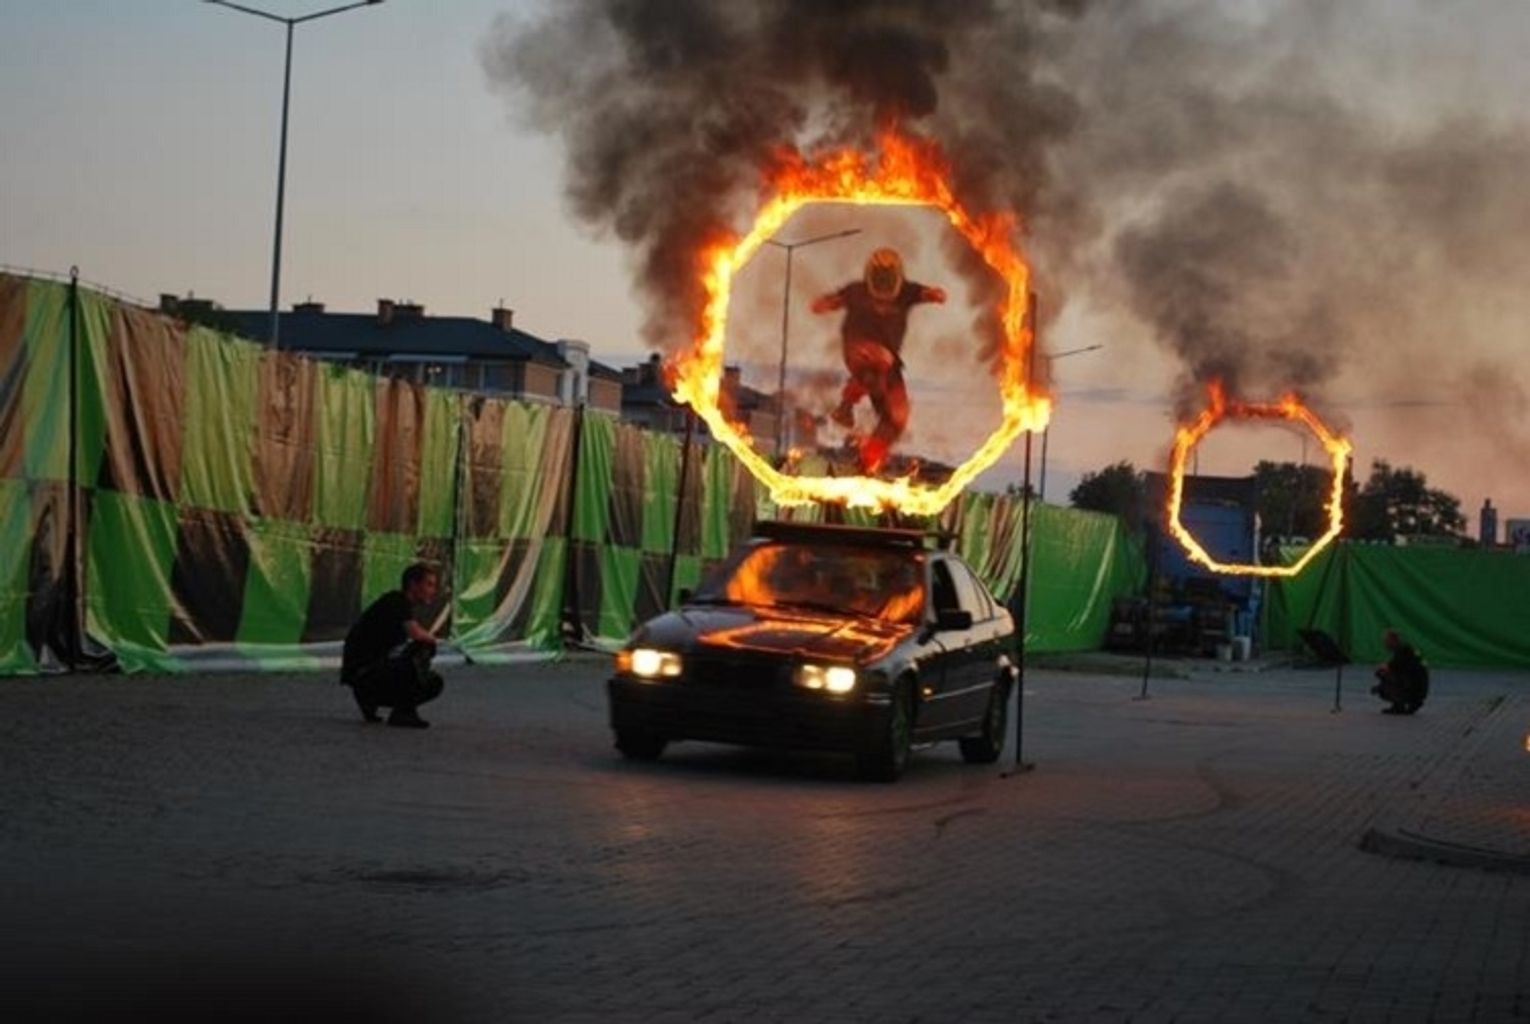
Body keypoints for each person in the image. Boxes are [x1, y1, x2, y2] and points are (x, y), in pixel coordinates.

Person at [811, 247, 946, 474]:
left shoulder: (907, 292)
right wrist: (825, 303)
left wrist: (934, 294)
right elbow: (834, 300)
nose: (883, 288)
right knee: (877, 357)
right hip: (858, 349)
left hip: (890, 364)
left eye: (887, 280)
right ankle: (846, 406)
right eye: (879, 280)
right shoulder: (856, 291)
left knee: (897, 417)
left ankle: (866, 463)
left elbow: (924, 293)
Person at [341, 563, 445, 728]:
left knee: (428, 676)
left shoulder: (398, 604)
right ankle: (403, 712)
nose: (433, 590)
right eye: (429, 584)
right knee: (423, 651)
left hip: (364, 673)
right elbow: (417, 634)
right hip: (364, 672)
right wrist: (432, 640)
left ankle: (369, 700)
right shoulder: (397, 601)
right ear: (413, 584)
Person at [1371, 628, 1429, 715]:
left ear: (1392, 641)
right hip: (1419, 687)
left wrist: (1380, 687)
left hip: (1414, 687)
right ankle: (1404, 703)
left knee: (1382, 675)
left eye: (1386, 641)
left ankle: (1401, 703)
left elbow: (1391, 668)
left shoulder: (1402, 651)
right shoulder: (1405, 649)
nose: (1385, 644)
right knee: (1385, 676)